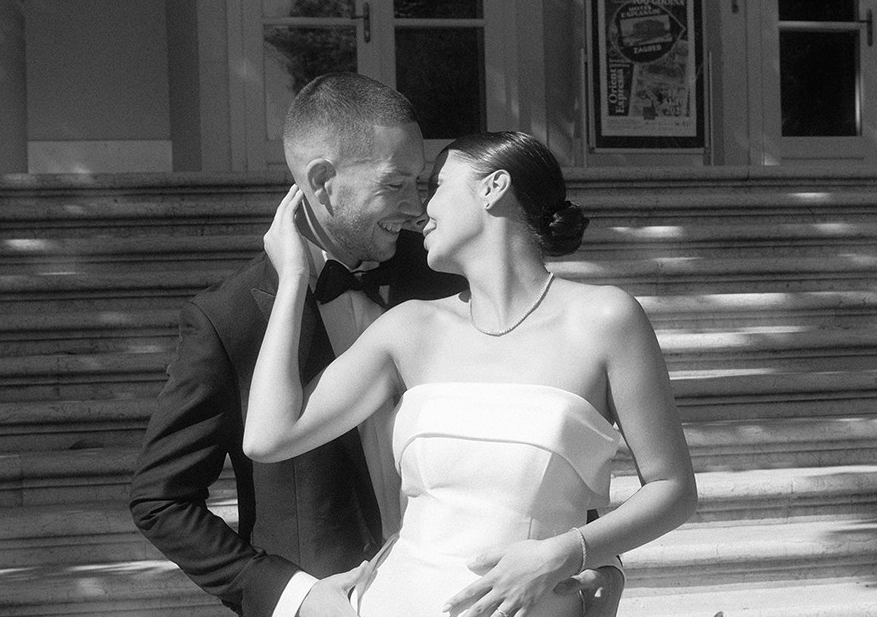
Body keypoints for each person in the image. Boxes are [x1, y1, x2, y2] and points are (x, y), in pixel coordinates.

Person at [130, 73, 624, 617]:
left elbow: (548, 427)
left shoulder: (448, 274)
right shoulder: (229, 319)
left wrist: (598, 559)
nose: (418, 207)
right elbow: (162, 500)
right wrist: (293, 597)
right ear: (322, 182)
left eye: (424, 183)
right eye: (396, 184)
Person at [244, 130, 699, 616]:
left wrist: (564, 553)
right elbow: (268, 438)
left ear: (493, 187)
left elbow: (673, 489)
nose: (421, 208)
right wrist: (293, 276)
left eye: (437, 184)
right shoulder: (410, 327)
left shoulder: (606, 319)